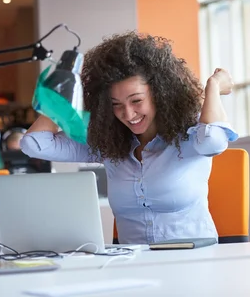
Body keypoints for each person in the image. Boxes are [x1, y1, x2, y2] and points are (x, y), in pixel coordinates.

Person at [20, 31, 238, 244]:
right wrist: (66, 93)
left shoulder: (191, 137)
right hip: (133, 267)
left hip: (192, 263)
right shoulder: (109, 144)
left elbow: (214, 142)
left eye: (136, 101)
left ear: (161, 94)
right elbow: (35, 144)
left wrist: (213, 87)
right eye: (116, 105)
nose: (128, 114)